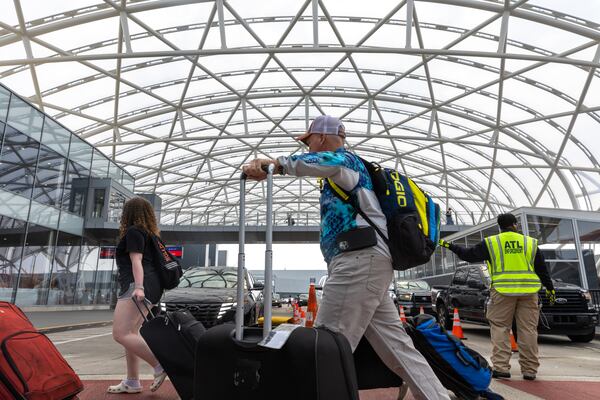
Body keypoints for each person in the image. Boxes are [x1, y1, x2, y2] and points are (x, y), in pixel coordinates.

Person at [243, 115, 449, 400]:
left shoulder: (346, 161)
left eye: (308, 140)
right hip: (368, 264)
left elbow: (327, 161)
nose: (308, 147)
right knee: (399, 348)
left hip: (358, 262)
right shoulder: (347, 173)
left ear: (323, 138)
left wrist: (277, 165)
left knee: (326, 346)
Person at [439, 213, 556, 381]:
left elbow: (468, 255)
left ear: (499, 226)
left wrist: (450, 246)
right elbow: (541, 269)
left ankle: (501, 367)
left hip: (502, 291)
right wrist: (550, 288)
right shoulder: (530, 242)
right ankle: (530, 370)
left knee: (500, 328)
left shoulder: (492, 243)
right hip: (529, 292)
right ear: (515, 224)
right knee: (528, 330)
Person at [108, 197, 167, 394]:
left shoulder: (134, 232)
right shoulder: (151, 235)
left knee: (120, 333)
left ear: (128, 214)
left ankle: (159, 364)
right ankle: (132, 381)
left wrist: (139, 286)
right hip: (153, 286)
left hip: (137, 285)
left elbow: (137, 260)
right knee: (130, 334)